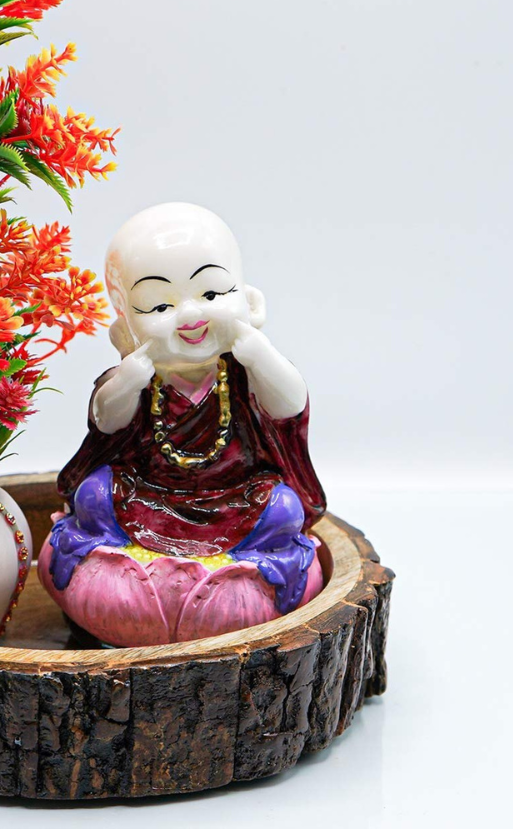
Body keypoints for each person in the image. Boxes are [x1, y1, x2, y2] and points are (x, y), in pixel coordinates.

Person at [37, 203, 326, 646]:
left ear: (250, 303)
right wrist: (128, 380)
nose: (191, 316)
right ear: (125, 331)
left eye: (211, 294)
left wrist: (260, 355)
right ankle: (182, 585)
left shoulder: (244, 373)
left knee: (284, 508)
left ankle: (225, 577)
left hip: (235, 497)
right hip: (147, 495)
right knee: (92, 495)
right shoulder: (139, 378)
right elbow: (106, 423)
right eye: (159, 304)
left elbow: (290, 407)